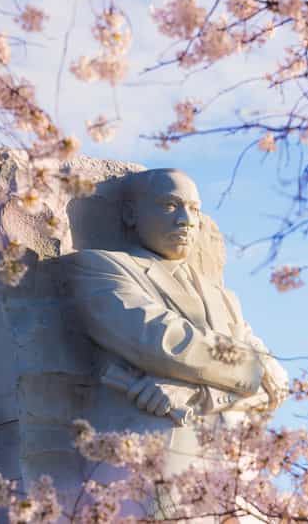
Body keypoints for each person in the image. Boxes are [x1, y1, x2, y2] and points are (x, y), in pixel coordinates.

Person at [68, 168, 288, 479]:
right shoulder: (101, 269)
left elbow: (275, 387)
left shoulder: (224, 298)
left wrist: (191, 393)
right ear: (131, 214)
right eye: (170, 205)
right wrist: (251, 367)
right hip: (151, 467)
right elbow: (167, 343)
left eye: (194, 209)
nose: (186, 220)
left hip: (235, 469)